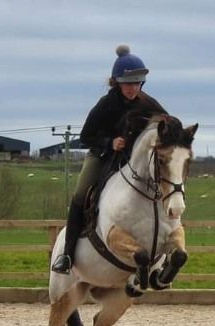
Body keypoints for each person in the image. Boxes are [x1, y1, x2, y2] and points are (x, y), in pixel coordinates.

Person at [51, 44, 167, 274]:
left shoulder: (148, 103)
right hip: (102, 156)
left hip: (133, 161)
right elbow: (86, 136)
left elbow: (168, 123)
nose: (133, 88)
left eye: (136, 83)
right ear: (117, 83)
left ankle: (164, 252)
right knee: (80, 194)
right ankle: (67, 255)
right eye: (128, 84)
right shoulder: (106, 105)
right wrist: (109, 142)